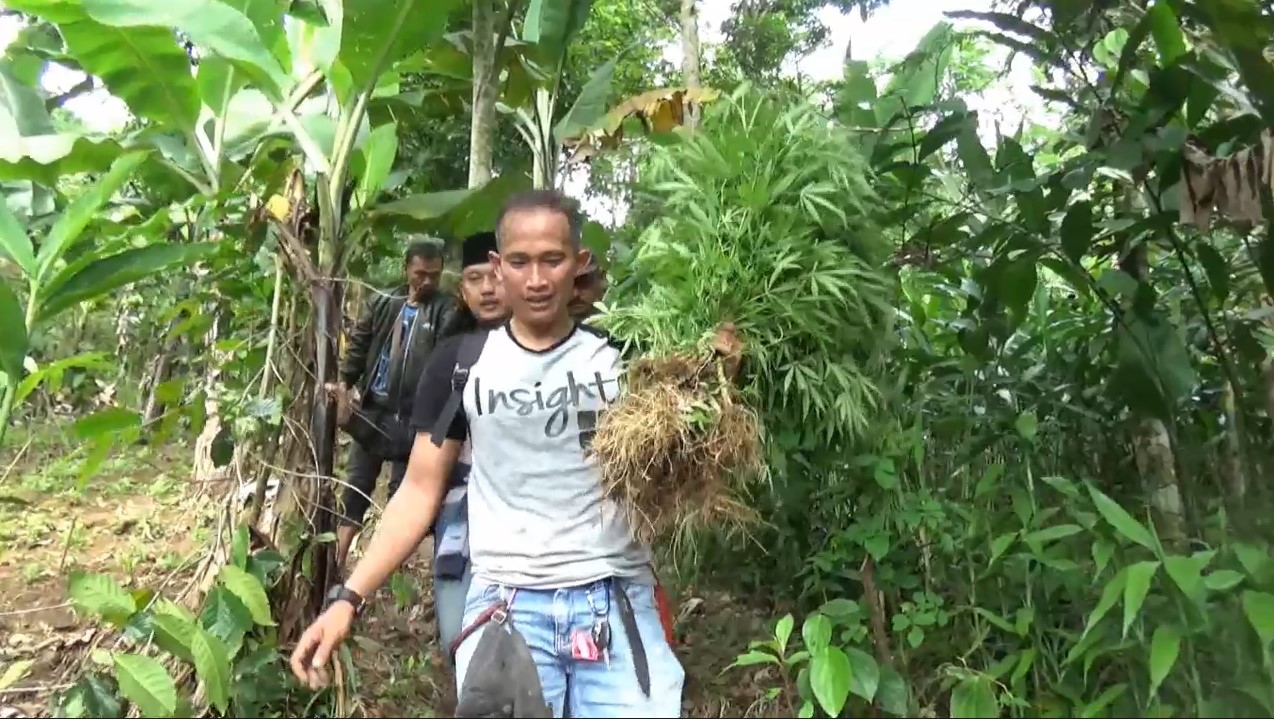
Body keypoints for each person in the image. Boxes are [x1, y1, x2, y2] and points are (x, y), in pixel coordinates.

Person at [290, 190, 685, 717]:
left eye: (553, 260)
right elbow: (420, 489)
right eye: (520, 262)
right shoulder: (461, 364)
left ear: (579, 263)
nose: (537, 280)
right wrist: (349, 597)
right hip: (508, 605)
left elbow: (677, 465)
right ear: (498, 268)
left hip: (614, 601)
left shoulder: (622, 357)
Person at [331, 240, 456, 572]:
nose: (426, 282)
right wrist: (344, 381)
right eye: (420, 274)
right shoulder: (384, 302)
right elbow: (359, 345)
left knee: (401, 497)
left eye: (434, 275)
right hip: (374, 409)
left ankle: (381, 570)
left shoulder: (445, 310)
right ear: (406, 270)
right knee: (355, 488)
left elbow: (447, 353)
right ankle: (337, 563)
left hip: (413, 420)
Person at [431, 229, 509, 666]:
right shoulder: (450, 357)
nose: (487, 289)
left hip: (531, 515)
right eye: (474, 279)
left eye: (494, 276)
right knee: (460, 637)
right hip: (461, 511)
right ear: (462, 291)